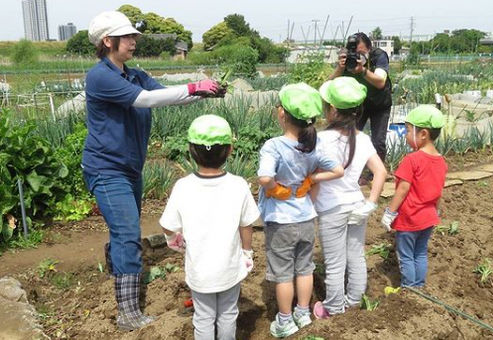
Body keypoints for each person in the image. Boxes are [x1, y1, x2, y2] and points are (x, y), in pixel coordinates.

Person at [81, 11, 225, 331]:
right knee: (128, 232)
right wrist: (193, 85)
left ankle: (116, 273)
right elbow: (145, 100)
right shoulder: (100, 76)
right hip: (106, 168)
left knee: (123, 230)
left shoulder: (134, 75)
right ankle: (128, 314)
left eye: (134, 36)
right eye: (128, 37)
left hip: (130, 167)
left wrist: (203, 91)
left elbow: (166, 97)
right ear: (108, 41)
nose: (134, 42)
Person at [159, 115, 259, 340]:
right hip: (230, 268)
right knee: (228, 314)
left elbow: (167, 225)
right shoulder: (238, 185)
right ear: (230, 150)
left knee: (203, 317)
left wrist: (176, 242)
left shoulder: (183, 187)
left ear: (191, 150)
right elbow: (246, 224)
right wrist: (247, 252)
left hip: (200, 270)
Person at [257, 83, 344, 338]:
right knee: (305, 268)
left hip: (280, 221)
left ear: (282, 114)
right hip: (306, 217)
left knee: (283, 273)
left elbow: (264, 177)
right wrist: (312, 179)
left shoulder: (274, 145)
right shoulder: (312, 146)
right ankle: (303, 313)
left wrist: (275, 189)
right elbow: (338, 171)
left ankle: (285, 320)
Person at [311, 77, 387, 319]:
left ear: (332, 110)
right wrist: (370, 203)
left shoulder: (320, 140)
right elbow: (381, 172)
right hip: (356, 205)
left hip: (331, 209)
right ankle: (354, 301)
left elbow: (310, 174)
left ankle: (332, 308)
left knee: (334, 263)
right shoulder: (363, 139)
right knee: (356, 256)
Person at [381, 105, 448, 287]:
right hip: (428, 217)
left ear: (423, 134)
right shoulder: (441, 161)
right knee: (420, 252)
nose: (405, 134)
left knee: (406, 255)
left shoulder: (412, 160)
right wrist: (437, 211)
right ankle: (419, 285)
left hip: (410, 218)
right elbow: (438, 190)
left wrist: (390, 212)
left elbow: (402, 189)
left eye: (408, 131)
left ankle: (409, 289)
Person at [330, 32, 392, 166]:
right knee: (349, 136)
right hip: (359, 105)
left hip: (380, 104)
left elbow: (380, 82)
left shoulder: (379, 56)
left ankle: (376, 174)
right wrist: (340, 69)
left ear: (369, 49)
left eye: (361, 53)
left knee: (378, 141)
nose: (358, 57)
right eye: (355, 53)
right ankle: (350, 169)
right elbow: (329, 84)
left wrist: (362, 71)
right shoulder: (347, 59)